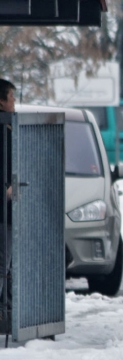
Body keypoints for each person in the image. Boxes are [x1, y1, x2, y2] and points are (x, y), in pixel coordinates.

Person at [0, 79, 15, 321]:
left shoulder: (10, 128)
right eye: (12, 97)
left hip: (7, 210)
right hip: (4, 212)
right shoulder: (4, 131)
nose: (15, 102)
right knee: (3, 263)